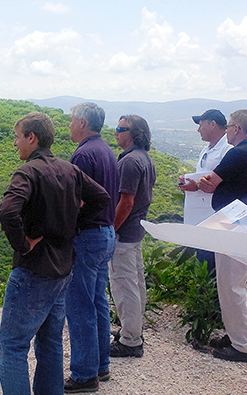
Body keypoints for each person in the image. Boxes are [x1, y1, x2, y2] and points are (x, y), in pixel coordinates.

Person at [0, 112, 110, 395]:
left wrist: (23, 244)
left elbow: (8, 211)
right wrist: (73, 223)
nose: (15, 144)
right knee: (50, 343)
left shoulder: (27, 172)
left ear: (31, 137)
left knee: (13, 346)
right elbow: (101, 198)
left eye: (17, 137)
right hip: (62, 269)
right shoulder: (69, 170)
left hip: (33, 269)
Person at [197, 109, 247, 363]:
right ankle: (236, 335)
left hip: (233, 223)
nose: (226, 131)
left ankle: (244, 346)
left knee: (231, 284)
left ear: (237, 129)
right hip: (241, 221)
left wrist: (206, 183)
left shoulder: (238, 153)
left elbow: (209, 182)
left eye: (229, 126)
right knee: (234, 283)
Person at [63, 103, 119, 393]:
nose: (69, 125)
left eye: (72, 120)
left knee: (79, 305)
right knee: (97, 301)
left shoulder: (83, 155)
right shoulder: (106, 150)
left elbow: (78, 201)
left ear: (83, 123)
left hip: (87, 236)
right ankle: (100, 365)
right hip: (106, 232)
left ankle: (84, 375)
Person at [109, 114, 156, 358]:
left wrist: (111, 229)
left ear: (134, 134)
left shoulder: (128, 162)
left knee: (124, 286)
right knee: (136, 283)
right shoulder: (144, 158)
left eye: (121, 129)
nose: (116, 132)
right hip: (136, 230)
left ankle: (130, 340)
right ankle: (134, 330)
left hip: (124, 233)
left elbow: (126, 202)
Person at [179, 109, 233, 269]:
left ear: (212, 124)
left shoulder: (228, 150)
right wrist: (189, 181)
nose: (198, 129)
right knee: (203, 262)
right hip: (202, 217)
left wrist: (197, 186)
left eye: (201, 125)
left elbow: (229, 183)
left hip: (218, 219)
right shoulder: (206, 150)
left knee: (215, 266)